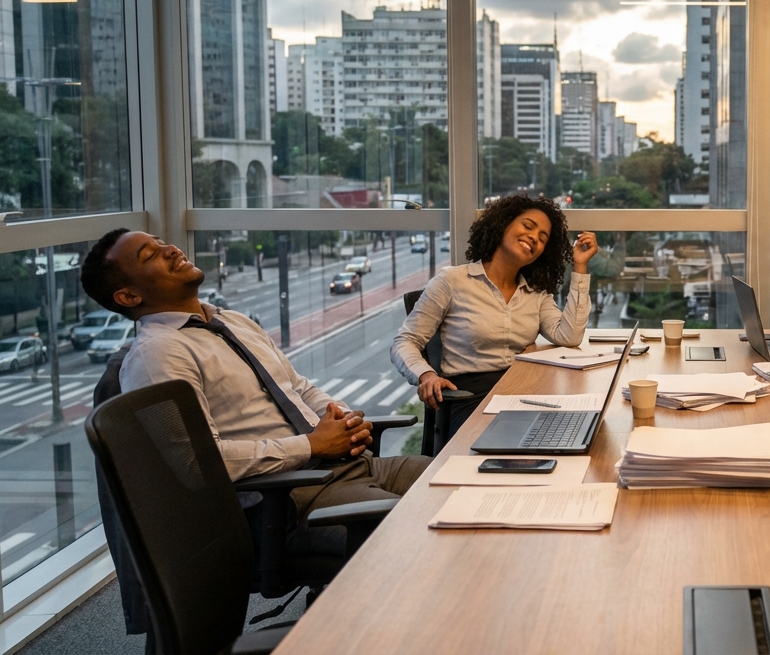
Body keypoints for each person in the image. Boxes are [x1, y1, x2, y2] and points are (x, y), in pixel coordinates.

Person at [78, 228, 430, 519]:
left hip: (347, 468)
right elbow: (195, 462)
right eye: (149, 255)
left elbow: (297, 387)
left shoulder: (234, 321)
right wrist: (311, 445)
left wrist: (342, 419)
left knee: (459, 485)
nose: (170, 249)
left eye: (160, 242)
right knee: (423, 526)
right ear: (127, 296)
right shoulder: (156, 355)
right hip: (288, 498)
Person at [391, 194, 598, 439]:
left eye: (543, 238)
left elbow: (569, 336)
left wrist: (580, 267)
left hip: (525, 392)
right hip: (470, 399)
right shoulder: (452, 282)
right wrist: (426, 375)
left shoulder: (536, 292)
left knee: (577, 435)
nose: (534, 237)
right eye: (528, 226)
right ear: (503, 224)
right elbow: (404, 341)